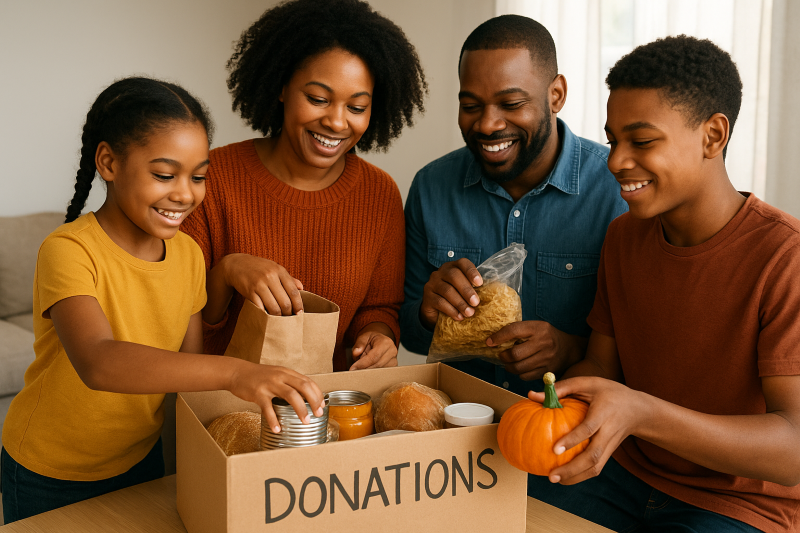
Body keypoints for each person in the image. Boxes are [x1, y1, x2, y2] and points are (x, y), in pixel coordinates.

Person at [0, 77, 324, 523]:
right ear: (109, 162)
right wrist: (237, 372)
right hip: (50, 470)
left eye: (198, 176)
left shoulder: (188, 254)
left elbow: (186, 371)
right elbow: (99, 361)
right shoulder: (69, 249)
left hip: (138, 458)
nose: (185, 193)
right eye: (164, 174)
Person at [527, 36, 800, 533]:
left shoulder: (785, 257)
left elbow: (794, 450)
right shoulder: (624, 237)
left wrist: (642, 413)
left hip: (737, 506)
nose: (614, 161)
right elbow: (601, 367)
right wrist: (553, 401)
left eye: (642, 141)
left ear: (713, 136)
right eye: (612, 141)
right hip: (625, 472)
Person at [181, 0, 426, 372]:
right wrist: (228, 271)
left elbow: (378, 310)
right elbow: (178, 320)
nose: (336, 122)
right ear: (281, 87)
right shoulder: (212, 178)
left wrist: (378, 338)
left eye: (357, 107)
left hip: (326, 414)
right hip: (222, 409)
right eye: (317, 99)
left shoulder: (380, 194)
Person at [400, 15, 627, 396]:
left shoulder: (615, 189)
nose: (488, 124)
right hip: (460, 437)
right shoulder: (431, 187)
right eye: (471, 105)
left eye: (511, 103)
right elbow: (410, 334)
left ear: (556, 95)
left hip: (566, 430)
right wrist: (427, 313)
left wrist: (572, 348)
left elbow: (646, 344)